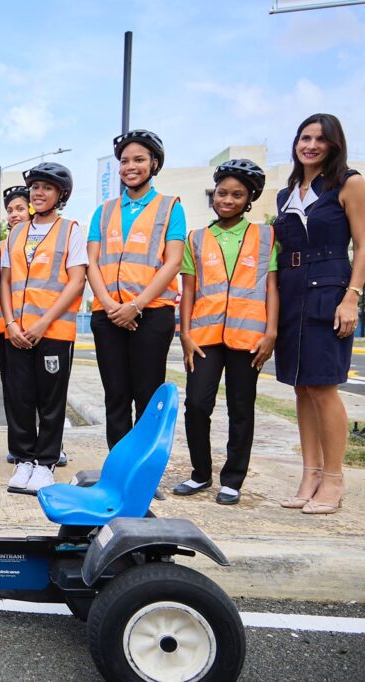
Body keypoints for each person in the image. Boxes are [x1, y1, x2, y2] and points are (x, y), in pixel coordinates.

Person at [273, 113, 365, 515]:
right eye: (304, 137)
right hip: (291, 288)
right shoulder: (286, 194)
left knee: (324, 387)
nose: (310, 145)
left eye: (320, 139)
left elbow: (362, 246)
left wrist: (352, 297)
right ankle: (310, 474)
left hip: (330, 287)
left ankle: (334, 479)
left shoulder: (349, 183)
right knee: (300, 387)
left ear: (333, 145)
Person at [173, 160, 277, 506]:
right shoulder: (197, 239)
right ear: (213, 195)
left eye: (237, 195)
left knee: (241, 407)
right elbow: (188, 290)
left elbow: (272, 289)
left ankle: (232, 480)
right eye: (222, 193)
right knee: (196, 405)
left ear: (249, 199)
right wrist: (184, 333)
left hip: (248, 338)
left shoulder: (265, 236)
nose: (227, 199)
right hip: (204, 337)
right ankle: (200, 473)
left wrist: (271, 332)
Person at [86, 129, 186, 449]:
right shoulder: (103, 211)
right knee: (115, 397)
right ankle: (118, 468)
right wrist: (110, 304)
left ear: (154, 164)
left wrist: (136, 306)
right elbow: (91, 262)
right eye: (125, 160)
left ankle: (142, 471)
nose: (131, 166)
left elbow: (172, 263)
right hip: (108, 314)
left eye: (139, 159)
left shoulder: (171, 207)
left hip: (152, 314)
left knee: (146, 397)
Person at [0, 163, 87, 494]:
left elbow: (76, 280)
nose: (38, 193)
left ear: (60, 194)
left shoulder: (70, 230)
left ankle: (45, 463)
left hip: (52, 332)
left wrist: (43, 322)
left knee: (51, 400)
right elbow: (6, 280)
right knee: (20, 397)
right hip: (18, 333)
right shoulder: (17, 232)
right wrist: (10, 322)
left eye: (46, 188)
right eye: (35, 187)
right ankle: (23, 459)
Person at [0, 185, 29, 464]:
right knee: (13, 387)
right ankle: (18, 446)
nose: (14, 214)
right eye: (10, 210)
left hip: (40, 325)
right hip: (5, 327)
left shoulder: (47, 239)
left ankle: (52, 443)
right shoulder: (2, 245)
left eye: (20, 208)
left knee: (45, 390)